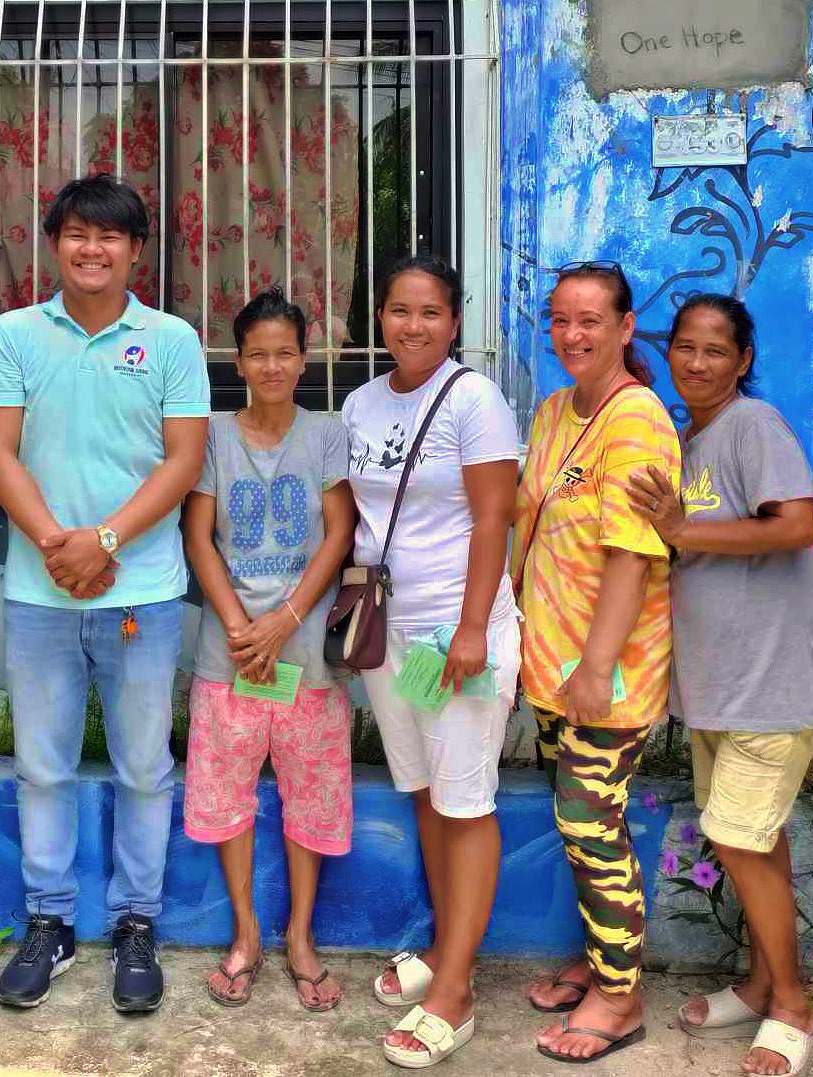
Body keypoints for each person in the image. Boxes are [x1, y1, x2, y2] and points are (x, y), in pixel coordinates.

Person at [0, 173, 211, 1013]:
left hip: (141, 590)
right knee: (42, 765)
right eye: (76, 233)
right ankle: (50, 921)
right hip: (41, 593)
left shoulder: (174, 339)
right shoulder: (13, 334)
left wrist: (104, 541)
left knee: (144, 766)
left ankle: (137, 923)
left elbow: (183, 460)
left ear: (136, 250)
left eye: (109, 236)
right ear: (53, 244)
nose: (91, 249)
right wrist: (55, 544)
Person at [631, 294, 813, 1077]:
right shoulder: (692, 439)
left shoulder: (754, 426)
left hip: (772, 681)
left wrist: (683, 531)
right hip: (724, 684)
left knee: (738, 835)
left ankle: (794, 1008)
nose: (696, 361)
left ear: (743, 359)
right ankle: (758, 984)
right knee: (756, 839)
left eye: (715, 349)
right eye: (685, 346)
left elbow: (795, 523)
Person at [343, 256, 522, 1067]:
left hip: (453, 636)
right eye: (397, 310)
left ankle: (456, 991)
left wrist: (475, 626)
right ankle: (449, 949)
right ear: (378, 317)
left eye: (429, 313)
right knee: (423, 790)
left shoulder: (474, 400)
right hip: (389, 635)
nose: (411, 325)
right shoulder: (360, 402)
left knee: (466, 800)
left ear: (454, 322)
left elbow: (494, 519)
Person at [512, 262, 681, 1064]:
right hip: (550, 666)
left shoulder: (638, 418)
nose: (572, 335)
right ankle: (604, 958)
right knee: (585, 825)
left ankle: (621, 996)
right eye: (560, 320)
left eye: (590, 320)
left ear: (624, 326)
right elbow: (531, 530)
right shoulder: (551, 413)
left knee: (587, 821)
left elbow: (631, 554)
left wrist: (594, 662)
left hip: (607, 675)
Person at [181, 289, 354, 1014]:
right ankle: (247, 932)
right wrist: (238, 626)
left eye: (286, 351)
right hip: (230, 656)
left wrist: (283, 621)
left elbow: (339, 532)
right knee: (227, 799)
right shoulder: (215, 434)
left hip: (306, 654)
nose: (273, 364)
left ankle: (301, 935)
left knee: (311, 800)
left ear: (306, 358)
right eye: (259, 352)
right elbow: (199, 535)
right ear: (238, 359)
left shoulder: (327, 433)